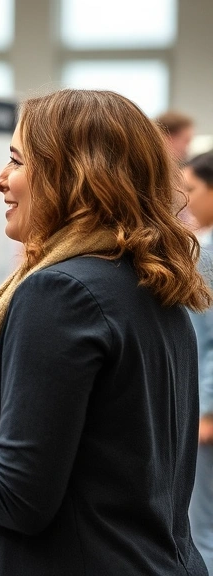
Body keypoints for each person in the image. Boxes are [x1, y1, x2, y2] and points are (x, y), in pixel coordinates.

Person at [0, 89, 210, 576]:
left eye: (16, 161)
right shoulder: (149, 279)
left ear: (72, 175)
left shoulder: (60, 293)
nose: (1, 180)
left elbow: (19, 498)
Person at [185, 150, 213, 573]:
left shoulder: (205, 252)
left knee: (201, 525)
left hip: (207, 410)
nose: (184, 199)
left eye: (191, 189)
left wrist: (206, 410)